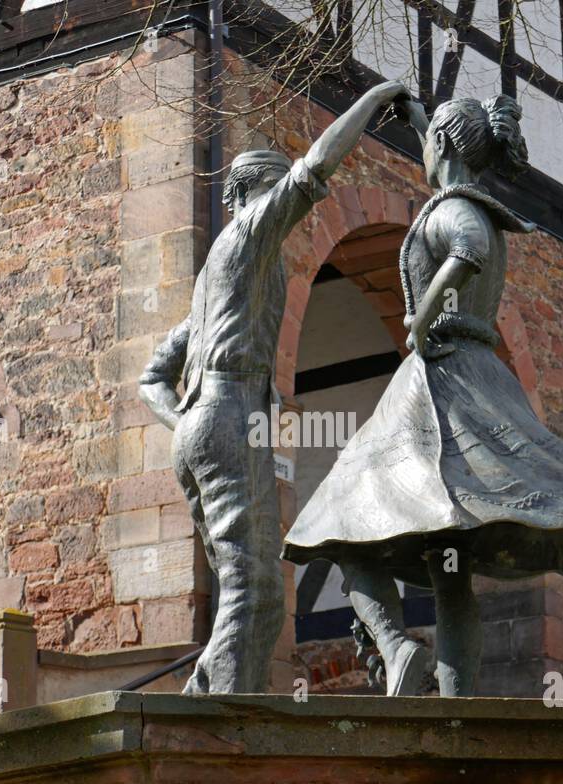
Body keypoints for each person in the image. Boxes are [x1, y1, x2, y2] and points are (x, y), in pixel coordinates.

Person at [282, 94, 563, 697]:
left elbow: (465, 248)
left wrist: (422, 317)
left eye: (430, 141)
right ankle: (454, 708)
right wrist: (419, 114)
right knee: (448, 562)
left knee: (337, 519)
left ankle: (396, 649)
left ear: (444, 148)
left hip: (439, 373)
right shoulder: (468, 192)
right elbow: (450, 164)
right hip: (476, 374)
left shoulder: (453, 207)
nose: (423, 149)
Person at [139, 80, 413, 695]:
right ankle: (226, 734)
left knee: (245, 586)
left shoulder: (215, 283)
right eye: (269, 191)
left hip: (206, 423)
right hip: (229, 417)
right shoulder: (246, 235)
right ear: (245, 197)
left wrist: (185, 419)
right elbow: (316, 167)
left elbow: (150, 377)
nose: (279, 208)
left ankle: (205, 696)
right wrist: (374, 100)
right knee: (256, 588)